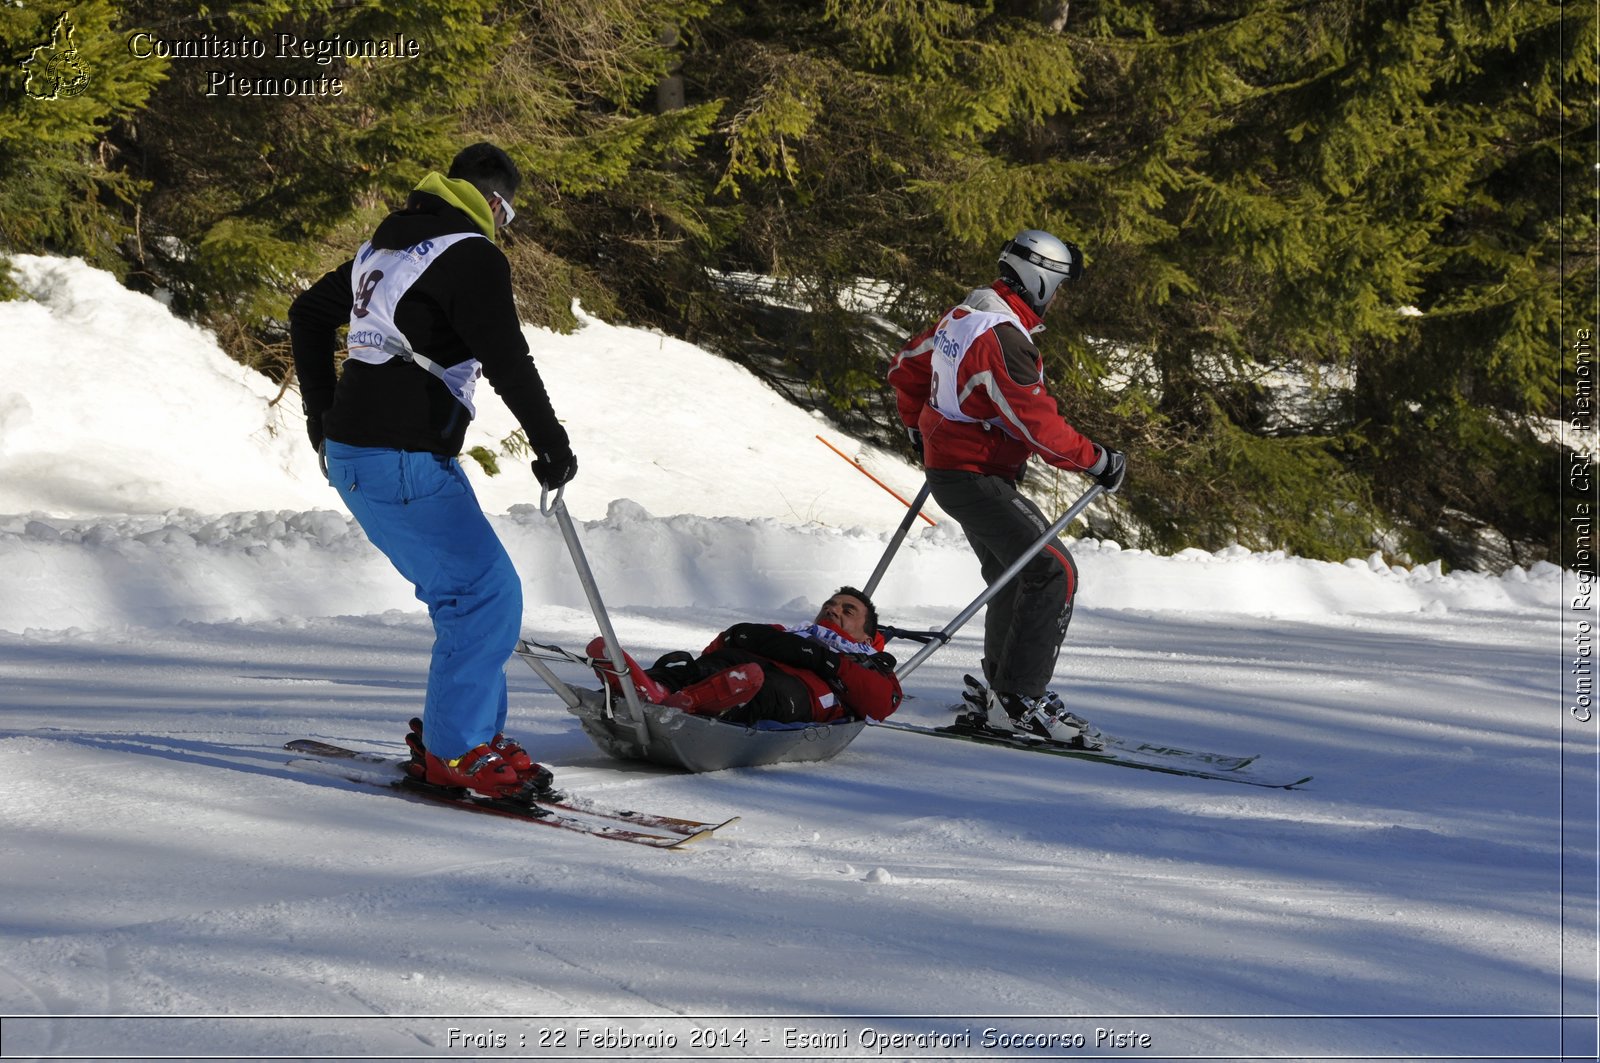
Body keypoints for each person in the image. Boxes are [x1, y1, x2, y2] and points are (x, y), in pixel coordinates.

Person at [289, 142, 576, 800]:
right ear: (496, 203)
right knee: (484, 595)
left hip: (375, 456)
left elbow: (307, 313)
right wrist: (551, 442)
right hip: (401, 458)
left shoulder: (388, 249)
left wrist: (321, 418)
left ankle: (468, 732)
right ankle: (457, 749)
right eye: (508, 214)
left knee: (472, 595)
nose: (504, 226)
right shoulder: (470, 255)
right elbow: (507, 357)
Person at [887, 229, 1125, 746]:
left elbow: (907, 366)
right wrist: (1098, 460)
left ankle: (1002, 692)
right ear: (1040, 280)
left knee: (1012, 572)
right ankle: (1019, 701)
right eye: (1057, 287)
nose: (1057, 299)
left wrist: (915, 424)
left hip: (957, 470)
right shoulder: (1002, 338)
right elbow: (1037, 427)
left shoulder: (964, 316)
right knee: (1053, 570)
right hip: (974, 476)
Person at [588, 588, 902, 726]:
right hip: (745, 668)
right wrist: (735, 637)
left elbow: (880, 702)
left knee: (763, 687)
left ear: (865, 633)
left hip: (805, 692)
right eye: (830, 605)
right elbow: (716, 650)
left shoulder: (868, 660)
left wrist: (828, 662)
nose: (833, 610)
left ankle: (697, 703)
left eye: (848, 611)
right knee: (712, 666)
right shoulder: (789, 632)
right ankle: (649, 688)